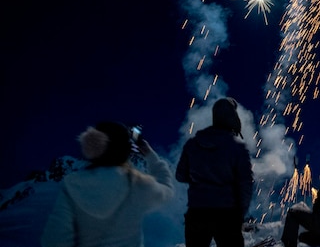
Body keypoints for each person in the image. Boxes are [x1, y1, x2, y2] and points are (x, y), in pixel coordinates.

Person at [41, 121, 175, 247]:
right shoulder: (138, 184)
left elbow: (54, 239)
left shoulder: (72, 185)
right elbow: (167, 190)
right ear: (126, 150)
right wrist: (150, 155)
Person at [176, 97, 254, 247]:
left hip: (197, 214)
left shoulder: (192, 144)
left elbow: (180, 175)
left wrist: (200, 180)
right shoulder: (237, 148)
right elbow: (245, 186)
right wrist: (239, 214)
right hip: (227, 215)